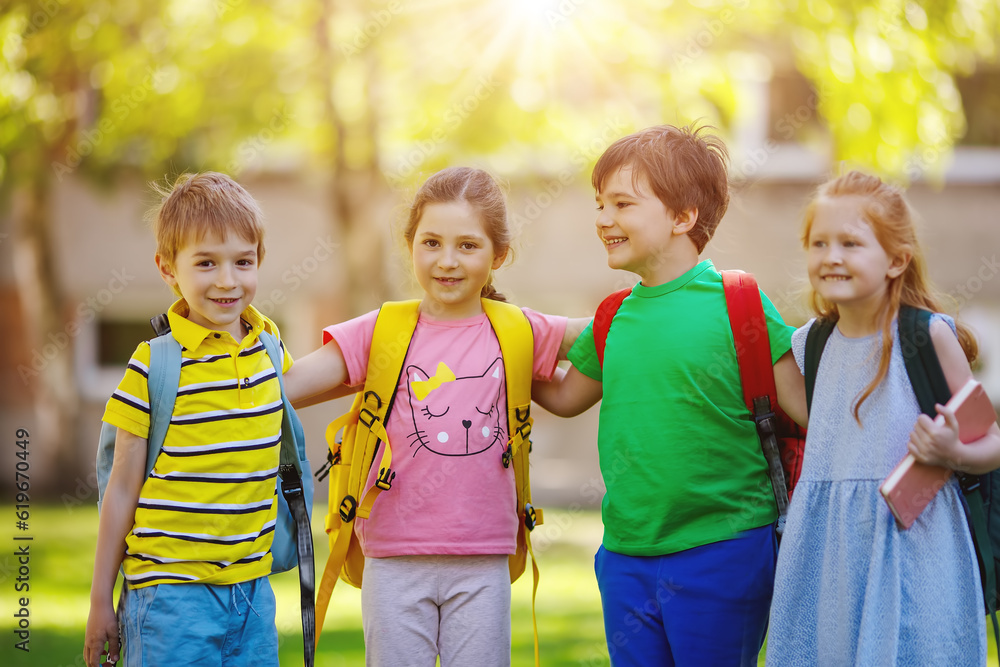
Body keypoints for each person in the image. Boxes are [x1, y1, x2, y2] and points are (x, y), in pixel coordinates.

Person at [284, 166, 585, 666]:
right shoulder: (380, 330)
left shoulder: (517, 330)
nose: (447, 261)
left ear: (498, 255)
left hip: (483, 560)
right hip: (393, 560)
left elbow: (606, 340)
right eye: (431, 243)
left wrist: (658, 306)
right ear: (410, 246)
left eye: (468, 245)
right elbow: (283, 387)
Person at [531, 124, 807, 666]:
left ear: (683, 218)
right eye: (599, 204)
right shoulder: (613, 316)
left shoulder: (739, 304)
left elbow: (808, 411)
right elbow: (565, 397)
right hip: (627, 555)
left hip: (725, 548)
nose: (603, 219)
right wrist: (494, 344)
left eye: (623, 204)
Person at [765, 170, 1000, 665]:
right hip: (827, 552)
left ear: (897, 259)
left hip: (915, 546)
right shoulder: (810, 344)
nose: (831, 256)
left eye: (851, 243)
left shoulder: (930, 337)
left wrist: (954, 452)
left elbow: (991, 441)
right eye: (818, 243)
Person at [84, 172, 293, 667]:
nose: (227, 280)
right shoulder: (152, 365)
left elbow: (310, 384)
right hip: (169, 598)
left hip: (252, 593)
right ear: (167, 268)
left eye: (243, 261)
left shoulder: (269, 347)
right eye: (205, 263)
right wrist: (99, 600)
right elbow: (121, 489)